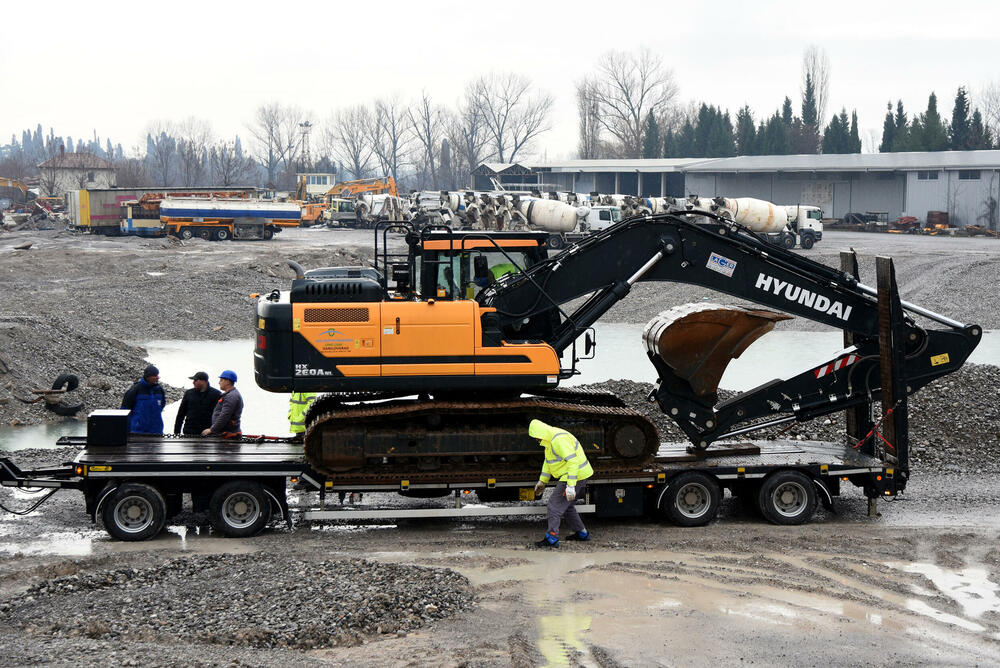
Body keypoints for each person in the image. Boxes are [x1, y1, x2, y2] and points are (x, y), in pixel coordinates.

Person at [529, 419, 594, 548]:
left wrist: (570, 485)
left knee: (554, 506)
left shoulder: (558, 440)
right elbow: (549, 462)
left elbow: (573, 462)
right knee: (567, 506)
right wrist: (542, 481)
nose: (536, 440)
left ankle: (552, 539)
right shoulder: (549, 441)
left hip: (575, 475)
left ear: (541, 433)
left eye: (536, 437)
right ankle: (582, 534)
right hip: (577, 475)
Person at [121, 365, 166, 435]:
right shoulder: (135, 390)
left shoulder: (159, 390)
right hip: (137, 431)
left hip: (156, 431)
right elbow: (124, 410)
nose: (158, 377)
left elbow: (162, 406)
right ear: (148, 377)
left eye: (157, 375)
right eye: (155, 375)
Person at [174, 371, 222, 436]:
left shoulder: (216, 394)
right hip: (189, 432)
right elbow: (181, 413)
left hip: (208, 433)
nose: (193, 382)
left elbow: (220, 415)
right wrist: (176, 432)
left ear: (203, 381)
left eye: (196, 380)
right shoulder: (189, 393)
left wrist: (216, 430)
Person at [202, 370, 243, 438]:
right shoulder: (229, 395)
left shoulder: (231, 396)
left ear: (227, 381)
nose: (219, 382)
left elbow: (225, 415)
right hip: (224, 433)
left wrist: (212, 429)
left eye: (221, 380)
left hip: (228, 435)